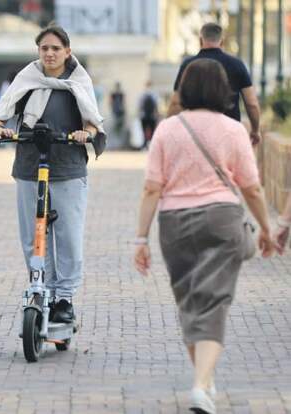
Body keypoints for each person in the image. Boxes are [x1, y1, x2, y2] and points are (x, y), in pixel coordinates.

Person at [134, 58, 276, 414]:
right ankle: (201, 385)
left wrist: (140, 239)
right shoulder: (233, 129)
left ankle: (204, 380)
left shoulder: (167, 129)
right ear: (222, 91)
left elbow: (152, 188)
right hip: (221, 220)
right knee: (212, 303)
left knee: (190, 303)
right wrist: (266, 229)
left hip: (174, 224)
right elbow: (252, 188)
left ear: (185, 90)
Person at [0, 25, 105, 324]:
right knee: (34, 234)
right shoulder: (27, 79)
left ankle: (64, 297)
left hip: (67, 167)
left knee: (68, 234)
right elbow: (1, 113)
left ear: (68, 51)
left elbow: (93, 123)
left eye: (56, 48)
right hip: (30, 164)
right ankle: (43, 289)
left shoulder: (79, 81)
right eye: (44, 48)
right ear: (38, 51)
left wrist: (84, 133)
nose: (50, 53)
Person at [167, 22, 262, 145]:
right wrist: (255, 130)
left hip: (195, 135)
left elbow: (175, 103)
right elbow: (251, 103)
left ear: (200, 40)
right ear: (222, 42)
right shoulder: (237, 64)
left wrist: (168, 128)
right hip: (229, 134)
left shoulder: (188, 64)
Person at [138, 81, 159, 148]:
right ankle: (146, 144)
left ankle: (147, 144)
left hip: (147, 115)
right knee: (147, 130)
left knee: (148, 130)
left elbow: (140, 105)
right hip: (149, 115)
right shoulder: (153, 95)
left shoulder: (144, 94)